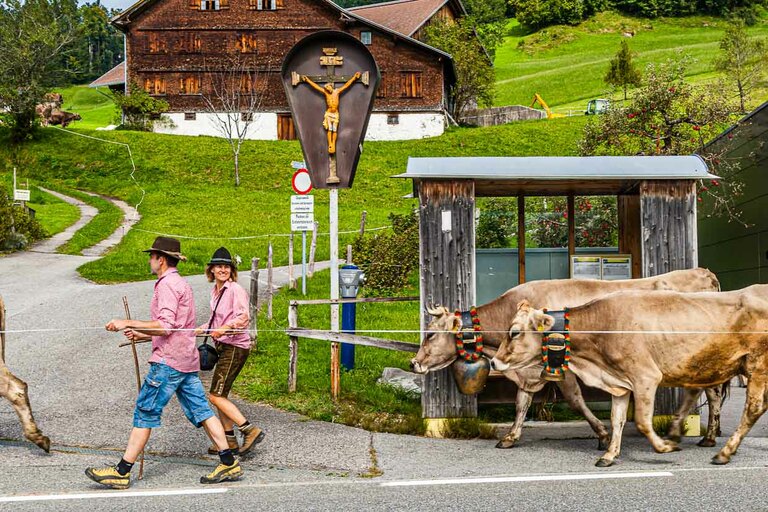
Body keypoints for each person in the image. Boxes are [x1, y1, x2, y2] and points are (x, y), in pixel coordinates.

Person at [85, 236, 243, 490]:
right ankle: (228, 463)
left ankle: (121, 471)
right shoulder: (180, 283)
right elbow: (174, 327)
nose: (150, 260)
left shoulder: (167, 285)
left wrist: (128, 323)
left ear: (161, 259)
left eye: (152, 256)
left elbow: (166, 325)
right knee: (202, 410)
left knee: (145, 410)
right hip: (185, 359)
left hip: (168, 362)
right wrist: (141, 334)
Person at [197, 247, 265, 456]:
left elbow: (243, 317)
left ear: (231, 271)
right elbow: (217, 318)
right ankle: (230, 441)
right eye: (219, 266)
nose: (223, 269)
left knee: (215, 396)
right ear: (211, 270)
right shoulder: (216, 291)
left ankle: (250, 430)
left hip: (235, 346)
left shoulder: (235, 290)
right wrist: (202, 329)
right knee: (221, 395)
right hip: (223, 345)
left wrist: (224, 329)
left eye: (226, 266)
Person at [300, 71, 361, 155]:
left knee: (334, 129)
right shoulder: (326, 93)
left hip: (335, 114)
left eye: (328, 87)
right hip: (329, 114)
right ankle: (330, 144)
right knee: (329, 129)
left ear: (331, 86)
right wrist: (307, 80)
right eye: (326, 88)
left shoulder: (337, 91)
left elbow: (347, 85)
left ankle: (333, 143)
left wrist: (354, 77)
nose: (327, 89)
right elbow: (316, 87)